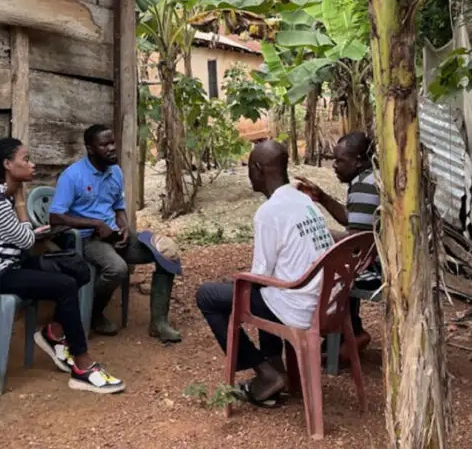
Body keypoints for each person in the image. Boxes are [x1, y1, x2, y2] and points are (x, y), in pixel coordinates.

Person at [0, 137, 125, 394]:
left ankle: (53, 332)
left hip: (9, 263)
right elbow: (26, 239)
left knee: (78, 269)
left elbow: (18, 236)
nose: (32, 164)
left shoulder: (0, 194)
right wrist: (21, 204)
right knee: (65, 286)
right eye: (25, 159)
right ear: (7, 164)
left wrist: (34, 227)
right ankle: (82, 367)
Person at [195, 140, 333, 405]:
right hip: (322, 301)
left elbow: (259, 277)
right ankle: (274, 364)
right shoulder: (304, 201)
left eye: (249, 167)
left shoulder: (269, 213)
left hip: (297, 307)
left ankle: (265, 372)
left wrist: (235, 281)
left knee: (209, 296)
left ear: (258, 169)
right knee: (266, 290)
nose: (248, 173)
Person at [49, 124, 182, 343]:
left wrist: (123, 227)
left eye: (112, 142)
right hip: (89, 239)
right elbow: (55, 218)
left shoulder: (115, 171)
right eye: (104, 145)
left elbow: (119, 206)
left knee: (166, 253)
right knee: (117, 269)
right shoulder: (72, 176)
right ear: (91, 149)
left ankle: (159, 323)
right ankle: (92, 313)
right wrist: (95, 224)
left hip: (115, 235)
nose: (111, 148)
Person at [296, 131, 380, 357]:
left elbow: (357, 243)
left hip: (376, 269)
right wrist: (321, 197)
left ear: (358, 160)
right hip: (374, 260)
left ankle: (344, 336)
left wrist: (317, 232)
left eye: (340, 160)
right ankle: (351, 331)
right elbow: (349, 219)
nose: (335, 166)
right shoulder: (366, 179)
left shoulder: (365, 186)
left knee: (325, 269)